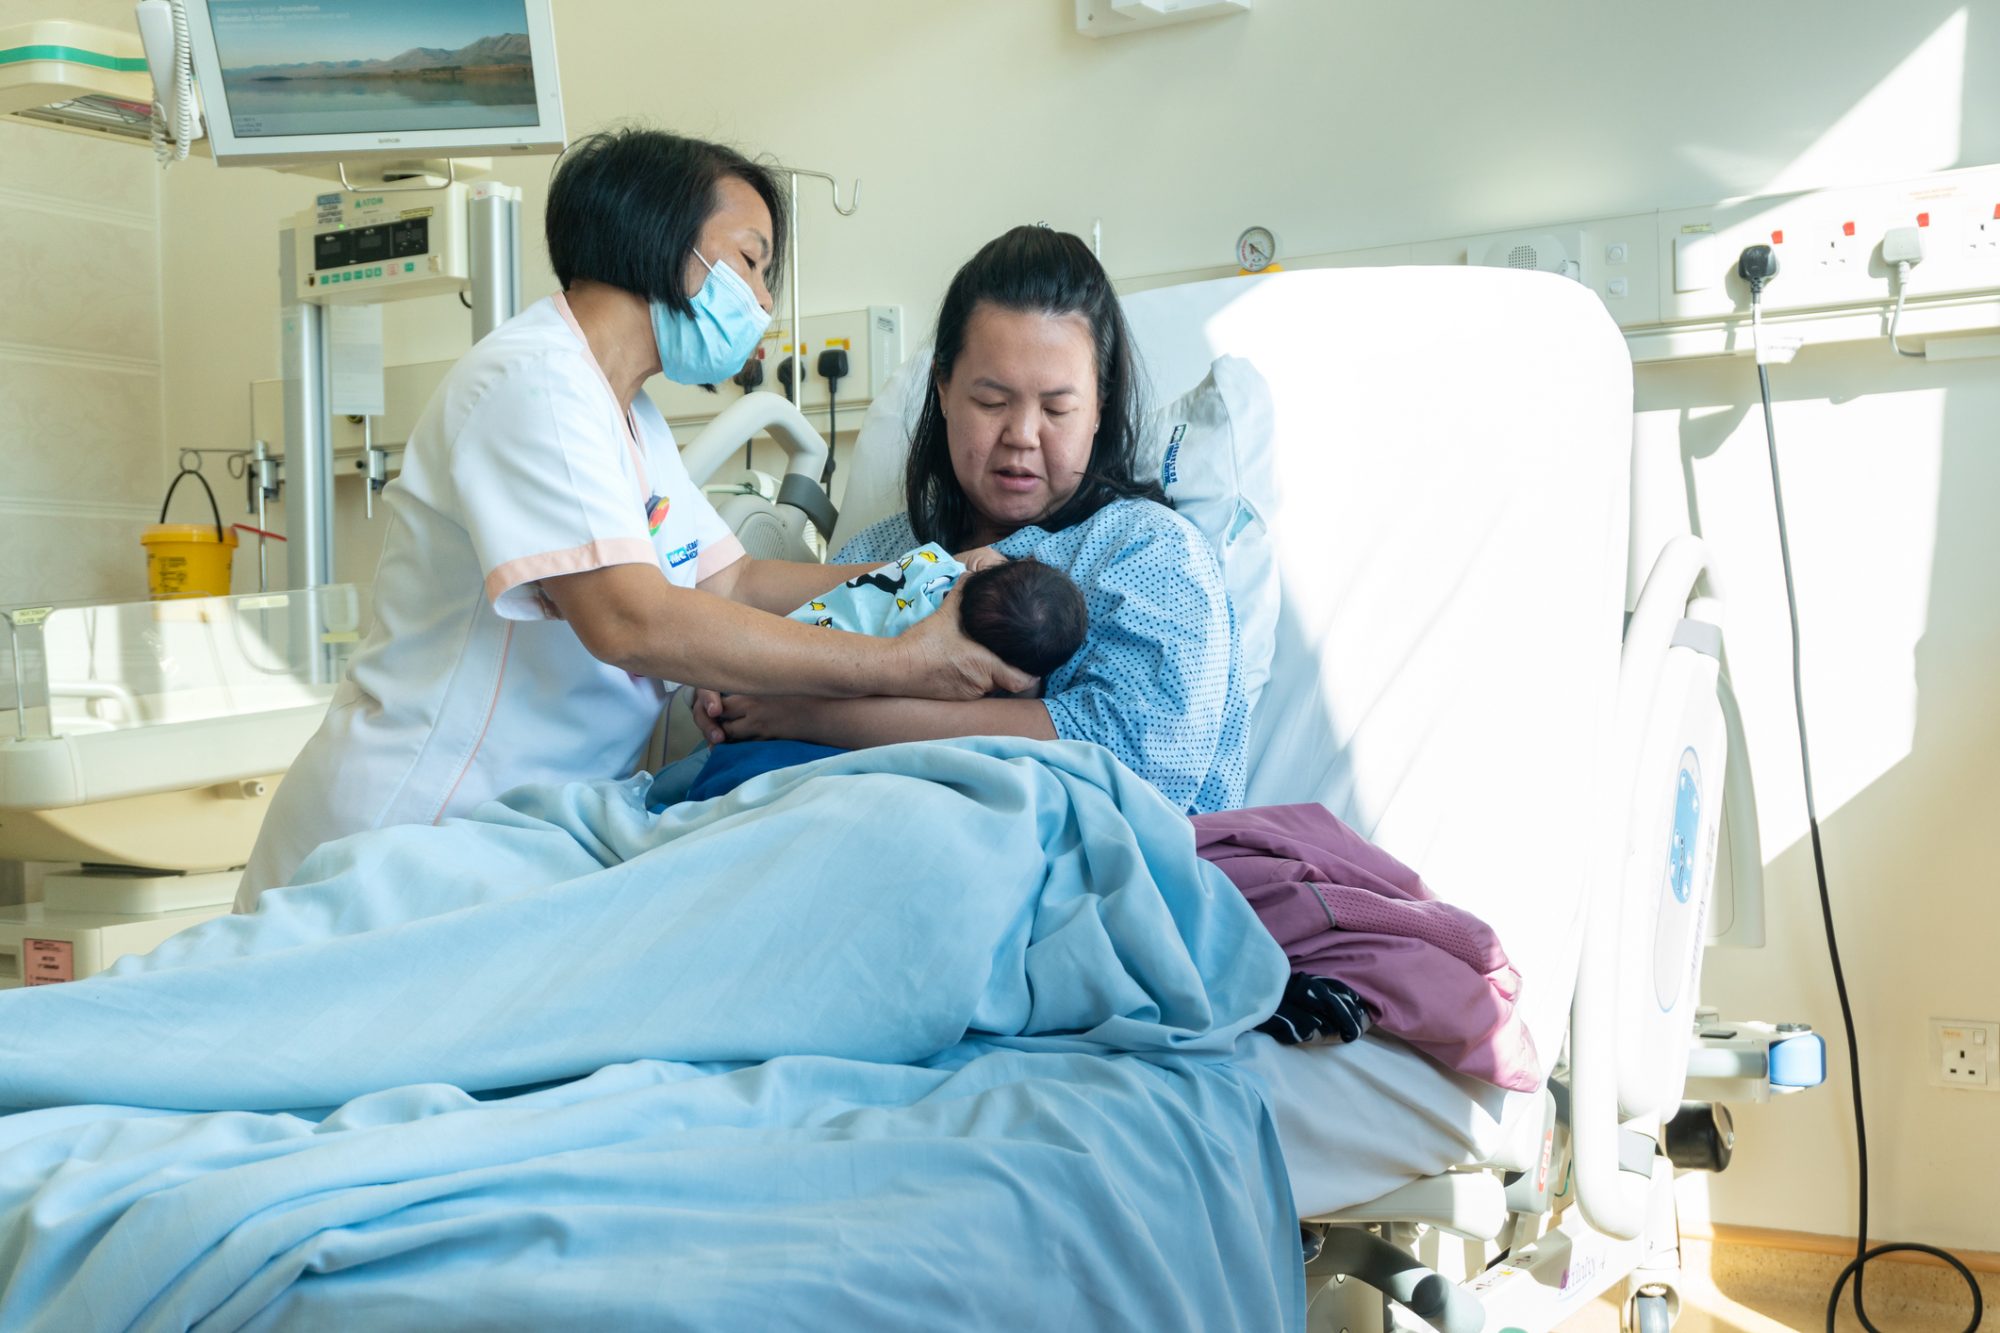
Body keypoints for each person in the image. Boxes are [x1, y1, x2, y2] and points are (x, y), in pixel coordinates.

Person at [237, 131, 1030, 910]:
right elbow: (631, 619)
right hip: (402, 839)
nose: (760, 300)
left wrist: (932, 577)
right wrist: (908, 666)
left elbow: (733, 578)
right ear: (664, 238)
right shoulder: (533, 384)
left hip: (513, 842)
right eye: (751, 261)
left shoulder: (627, 411)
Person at [695, 225, 1251, 814]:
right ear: (942, 388)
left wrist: (812, 715)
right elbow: (799, 647)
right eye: (992, 402)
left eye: (1057, 408)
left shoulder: (1148, 551)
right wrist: (739, 670)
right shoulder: (883, 545)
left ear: (1100, 407)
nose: (1022, 436)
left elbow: (1131, 759)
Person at [685, 546, 1088, 802]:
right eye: (991, 403)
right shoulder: (939, 582)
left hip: (777, 688)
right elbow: (735, 585)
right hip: (768, 689)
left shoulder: (933, 565)